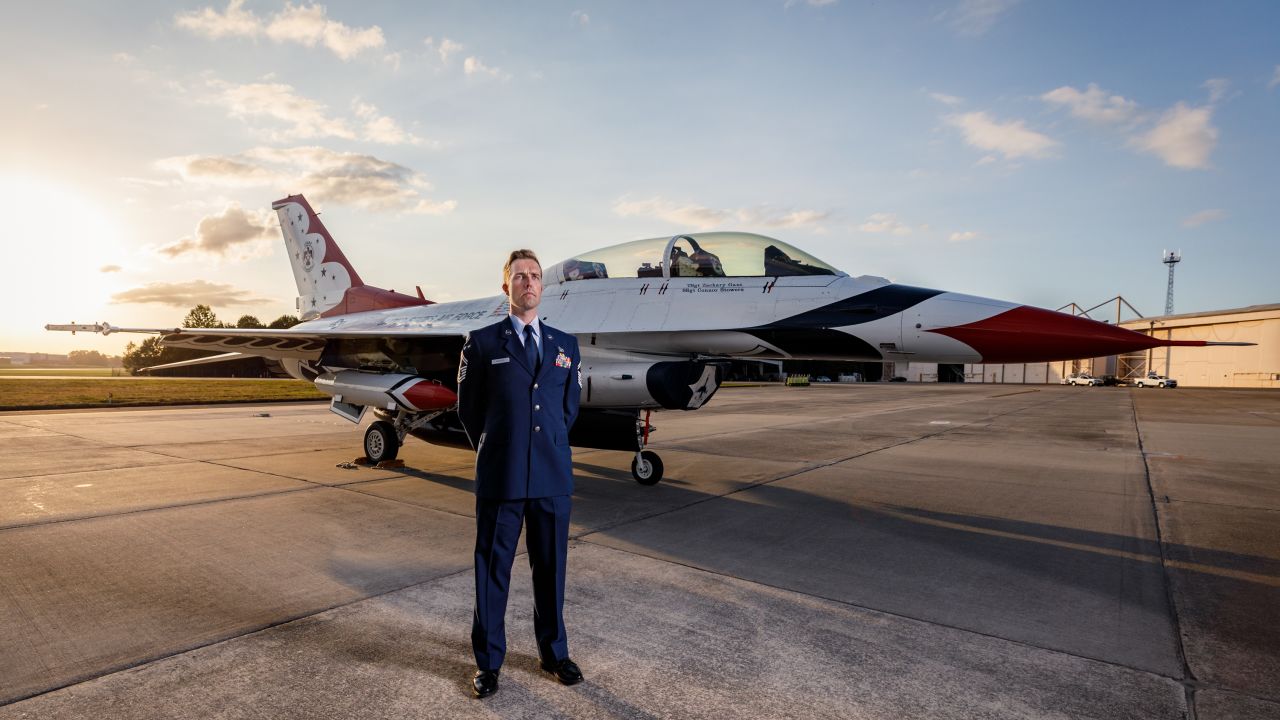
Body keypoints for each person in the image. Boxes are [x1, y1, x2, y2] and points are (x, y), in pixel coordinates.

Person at [456, 249, 584, 699]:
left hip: (552, 477)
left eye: (534, 276)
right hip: (502, 476)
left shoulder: (566, 345)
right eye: (519, 277)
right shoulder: (482, 342)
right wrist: (499, 449)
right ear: (505, 286)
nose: (528, 283)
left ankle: (554, 654)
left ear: (542, 288)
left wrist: (542, 445)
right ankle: (488, 663)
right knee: (492, 571)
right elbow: (468, 411)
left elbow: (568, 409)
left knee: (551, 571)